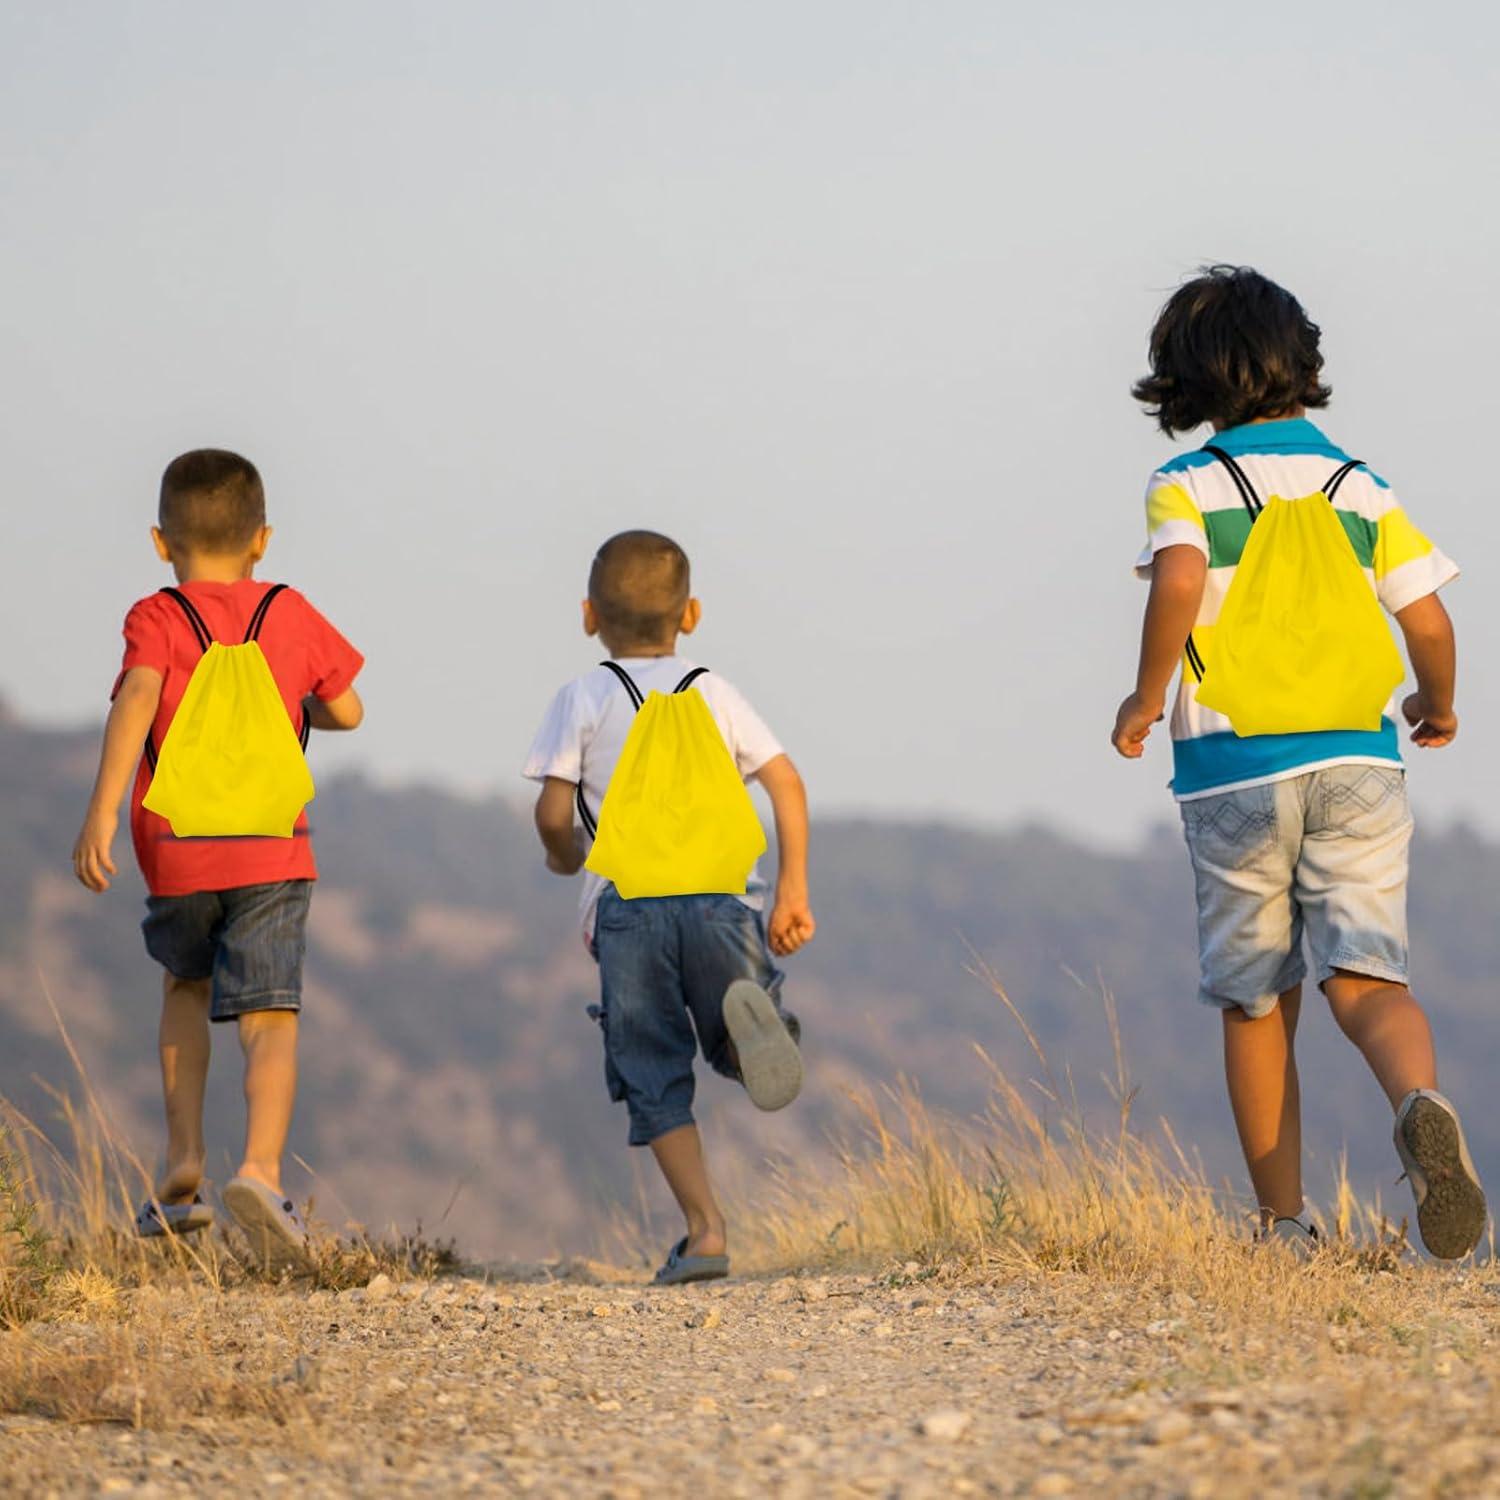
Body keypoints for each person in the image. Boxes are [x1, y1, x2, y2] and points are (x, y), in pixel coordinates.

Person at [1112, 265, 1486, 1259]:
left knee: (1254, 998)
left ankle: (1284, 1224)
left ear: (1184, 383)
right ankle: (1418, 1103)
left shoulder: (1186, 484)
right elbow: (1431, 619)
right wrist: (1435, 704)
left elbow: (1183, 584)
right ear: (1302, 365)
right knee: (1369, 984)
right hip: (1361, 762)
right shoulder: (1359, 486)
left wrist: (1150, 695)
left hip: (1234, 771)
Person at [71, 449, 364, 1269]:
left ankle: (182, 1163)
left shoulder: (156, 617)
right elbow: (347, 709)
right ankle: (262, 1175)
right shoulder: (290, 611)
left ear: (162, 543)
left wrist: (99, 810)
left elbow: (136, 698)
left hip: (178, 849)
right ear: (261, 539)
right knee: (269, 1017)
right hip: (272, 845)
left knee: (184, 991)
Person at [524, 529, 814, 1283]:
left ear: (589, 616)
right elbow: (787, 783)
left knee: (651, 1068)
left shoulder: (582, 698)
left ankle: (705, 1230)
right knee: (730, 1028)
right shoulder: (714, 690)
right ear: (692, 615)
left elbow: (555, 815)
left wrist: (565, 858)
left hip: (628, 913)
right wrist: (791, 890)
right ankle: (757, 1042)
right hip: (721, 902)